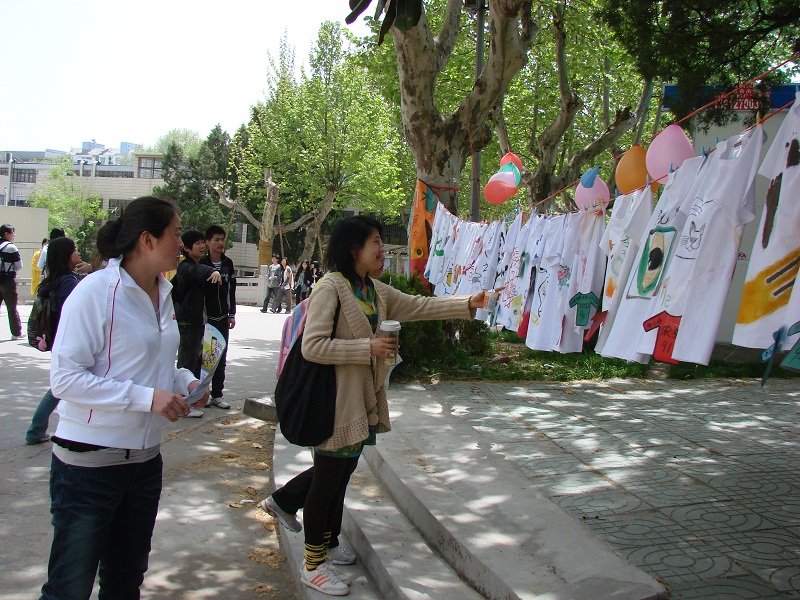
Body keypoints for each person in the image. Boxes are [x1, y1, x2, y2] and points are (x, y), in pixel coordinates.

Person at [297, 216, 485, 595]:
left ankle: (327, 545)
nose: (383, 251)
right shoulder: (331, 287)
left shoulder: (375, 291)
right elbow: (312, 346)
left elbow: (419, 307)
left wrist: (467, 303)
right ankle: (312, 565)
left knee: (342, 477)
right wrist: (367, 347)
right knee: (325, 481)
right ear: (354, 250)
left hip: (361, 401)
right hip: (334, 403)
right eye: (377, 244)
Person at [40, 195, 209, 599]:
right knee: (69, 587)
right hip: (89, 466)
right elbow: (65, 379)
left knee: (125, 581)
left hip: (145, 463)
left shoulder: (163, 291)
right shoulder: (96, 292)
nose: (182, 242)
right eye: (175, 234)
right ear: (147, 239)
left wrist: (185, 381)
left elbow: (153, 364)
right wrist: (147, 399)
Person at [25, 237, 82, 445]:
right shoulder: (68, 282)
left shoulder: (51, 281)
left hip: (56, 338)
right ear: (66, 256)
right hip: (69, 340)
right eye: (74, 250)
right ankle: (36, 430)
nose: (78, 253)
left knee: (62, 385)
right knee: (61, 387)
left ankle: (37, 430)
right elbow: (74, 313)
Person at [173, 229, 223, 417]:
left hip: (197, 322)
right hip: (187, 322)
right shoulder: (186, 267)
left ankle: (192, 401)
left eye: (203, 242)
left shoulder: (195, 265)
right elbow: (197, 271)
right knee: (186, 364)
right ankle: (184, 405)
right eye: (197, 243)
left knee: (195, 362)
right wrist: (213, 271)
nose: (202, 246)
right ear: (186, 248)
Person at [200, 225, 236, 408]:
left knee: (221, 356)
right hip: (206, 319)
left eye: (222, 239)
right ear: (208, 242)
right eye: (216, 239)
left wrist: (231, 314)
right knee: (206, 357)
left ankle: (217, 394)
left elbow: (231, 290)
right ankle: (202, 394)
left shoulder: (228, 263)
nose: (220, 243)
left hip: (223, 318)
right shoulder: (202, 264)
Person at [0, 223, 24, 340]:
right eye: (12, 232)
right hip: (8, 280)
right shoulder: (11, 247)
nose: (14, 235)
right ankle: (16, 333)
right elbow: (19, 265)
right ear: (6, 234)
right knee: (11, 307)